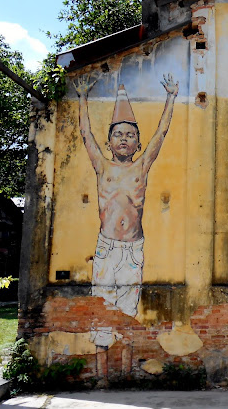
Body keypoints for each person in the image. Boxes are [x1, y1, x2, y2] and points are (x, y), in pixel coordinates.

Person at [74, 73, 178, 345]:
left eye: (130, 135)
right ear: (109, 142)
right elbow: (85, 133)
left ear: (138, 144)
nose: (123, 139)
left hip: (132, 249)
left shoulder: (141, 167)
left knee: (128, 313)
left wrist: (171, 97)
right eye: (118, 134)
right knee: (102, 310)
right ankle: (101, 375)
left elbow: (161, 132)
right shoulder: (102, 166)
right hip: (106, 248)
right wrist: (83, 97)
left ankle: (125, 369)